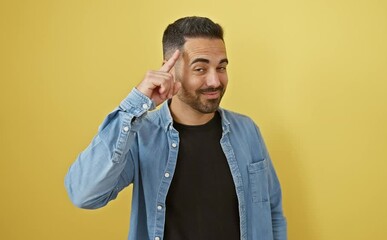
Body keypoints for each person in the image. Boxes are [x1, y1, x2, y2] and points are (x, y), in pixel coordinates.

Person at [65, 16, 287, 240]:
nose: (215, 81)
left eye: (221, 67)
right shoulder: (142, 134)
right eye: (200, 69)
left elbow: (272, 212)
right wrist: (135, 105)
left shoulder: (247, 131)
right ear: (169, 69)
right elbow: (84, 194)